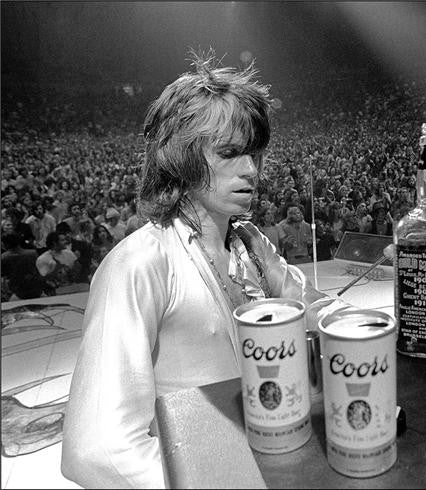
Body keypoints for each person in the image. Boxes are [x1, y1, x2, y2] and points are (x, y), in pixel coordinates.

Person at [61, 53, 352, 488]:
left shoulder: (251, 243)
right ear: (181, 156)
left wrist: (367, 328)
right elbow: (97, 450)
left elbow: (311, 307)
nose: (251, 170)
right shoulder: (139, 264)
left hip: (274, 458)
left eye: (254, 154)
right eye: (231, 154)